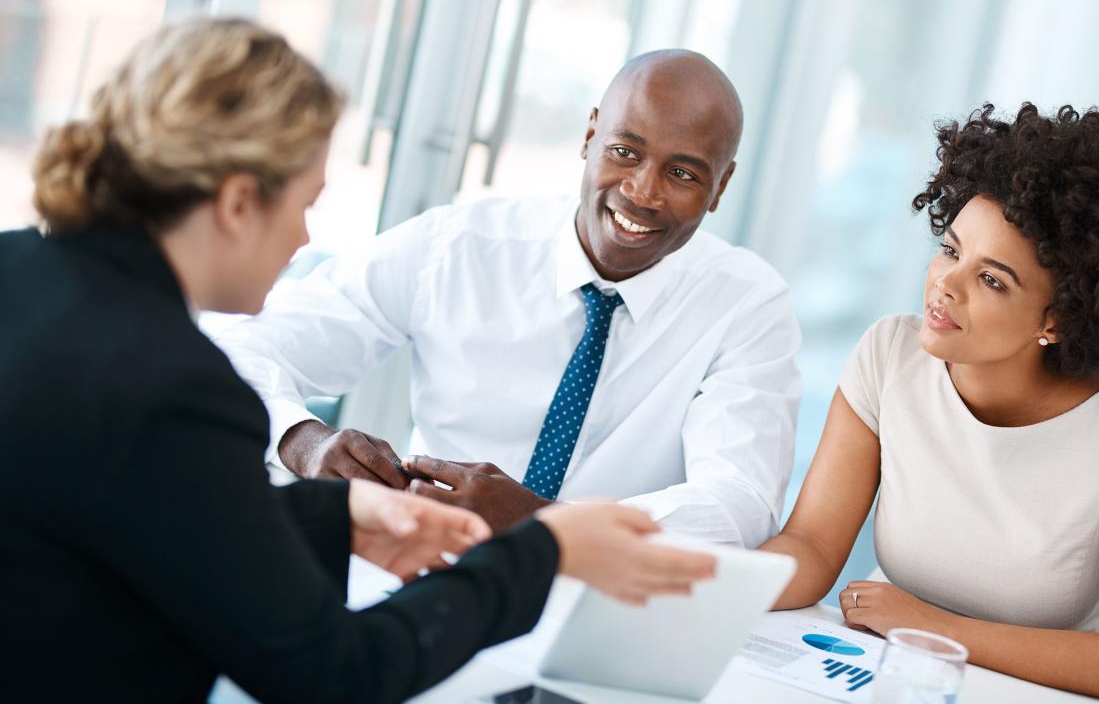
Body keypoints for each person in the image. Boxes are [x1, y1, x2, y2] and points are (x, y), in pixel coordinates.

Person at [0, 18, 716, 704]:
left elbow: (140, 508)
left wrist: (336, 514)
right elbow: (337, 673)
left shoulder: (19, 275)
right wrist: (544, 550)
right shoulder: (177, 385)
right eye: (305, 205)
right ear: (239, 203)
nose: (305, 238)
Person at [215, 49, 801, 545]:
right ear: (591, 136)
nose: (642, 192)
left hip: (601, 590)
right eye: (625, 151)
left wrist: (547, 524)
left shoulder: (747, 306)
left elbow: (740, 501)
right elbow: (236, 350)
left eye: (684, 174)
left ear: (720, 187)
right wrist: (303, 440)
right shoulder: (461, 247)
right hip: (425, 563)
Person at [761, 104, 1099, 703]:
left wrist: (938, 630)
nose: (946, 282)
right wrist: (698, 580)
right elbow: (811, 547)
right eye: (950, 248)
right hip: (884, 674)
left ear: (1057, 320)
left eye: (992, 280)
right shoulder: (890, 354)